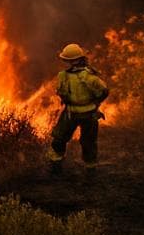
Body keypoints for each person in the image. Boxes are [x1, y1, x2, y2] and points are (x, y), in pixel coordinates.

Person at [47, 43, 109, 176]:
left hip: (86, 114)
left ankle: (90, 169)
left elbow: (104, 91)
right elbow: (104, 91)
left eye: (70, 60)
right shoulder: (63, 76)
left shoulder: (88, 76)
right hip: (72, 112)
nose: (70, 63)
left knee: (87, 142)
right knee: (59, 138)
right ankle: (56, 167)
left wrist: (95, 104)